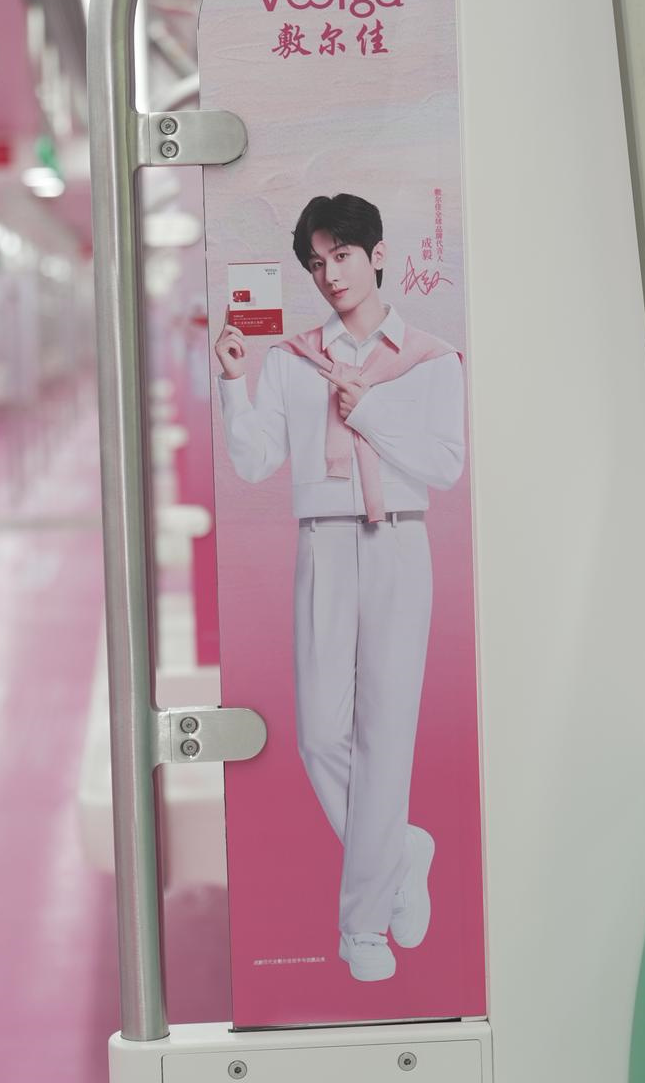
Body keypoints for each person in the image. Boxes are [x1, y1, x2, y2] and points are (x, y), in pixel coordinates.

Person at [214, 193, 465, 982]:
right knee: (321, 733)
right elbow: (256, 461)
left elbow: (446, 466)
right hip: (323, 543)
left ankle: (364, 928)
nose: (331, 275)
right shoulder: (291, 361)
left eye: (344, 256)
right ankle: (401, 849)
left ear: (378, 255)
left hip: (399, 543)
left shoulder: (431, 359)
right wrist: (233, 381)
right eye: (317, 263)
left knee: (387, 732)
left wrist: (372, 410)